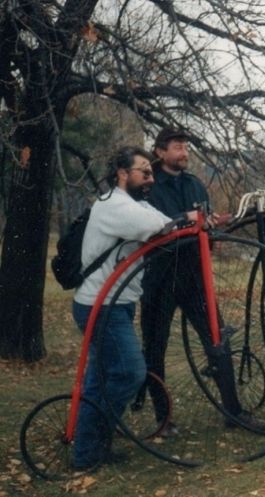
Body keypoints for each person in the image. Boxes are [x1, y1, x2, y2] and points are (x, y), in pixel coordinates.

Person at [141, 126, 265, 434]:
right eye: (177, 147)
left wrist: (212, 227)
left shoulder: (195, 184)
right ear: (160, 152)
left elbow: (205, 228)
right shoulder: (150, 187)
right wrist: (189, 220)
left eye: (185, 147)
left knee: (217, 341)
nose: (184, 153)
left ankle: (233, 412)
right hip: (160, 277)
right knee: (154, 347)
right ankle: (163, 419)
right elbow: (155, 228)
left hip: (195, 278)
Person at [72, 146, 172, 469]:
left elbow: (159, 219)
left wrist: (177, 221)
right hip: (102, 307)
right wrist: (183, 220)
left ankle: (90, 450)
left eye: (151, 172)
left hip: (116, 304)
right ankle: (94, 441)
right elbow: (158, 226)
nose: (150, 178)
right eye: (144, 171)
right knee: (131, 372)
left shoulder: (130, 203)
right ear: (123, 174)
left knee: (101, 379)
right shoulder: (114, 205)